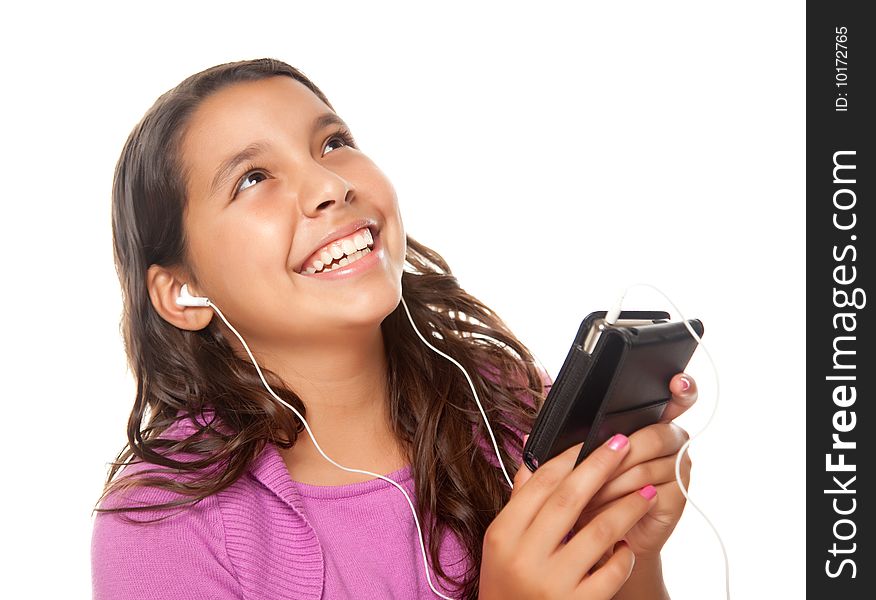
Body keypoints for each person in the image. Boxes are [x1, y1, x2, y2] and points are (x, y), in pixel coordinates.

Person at [91, 57, 699, 600]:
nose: (331, 184)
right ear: (182, 291)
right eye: (253, 178)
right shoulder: (164, 522)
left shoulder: (505, 402)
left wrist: (631, 555)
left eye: (332, 143)